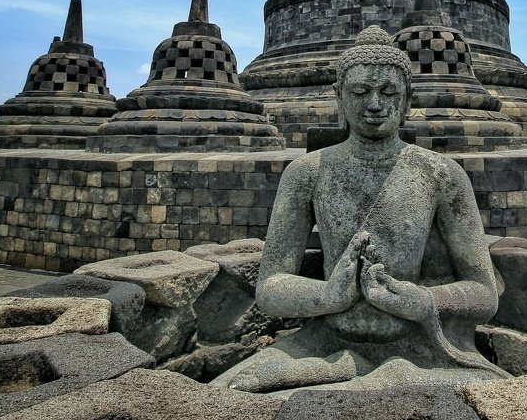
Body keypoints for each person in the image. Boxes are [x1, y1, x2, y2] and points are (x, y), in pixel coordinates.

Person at [210, 26, 507, 393]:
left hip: (419, 348)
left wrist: (423, 300)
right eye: (361, 92)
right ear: (339, 97)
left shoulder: (441, 174)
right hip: (325, 341)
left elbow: (484, 293)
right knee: (226, 394)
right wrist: (329, 296)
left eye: (389, 92)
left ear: (407, 100)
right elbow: (270, 288)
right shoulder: (307, 173)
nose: (375, 105)